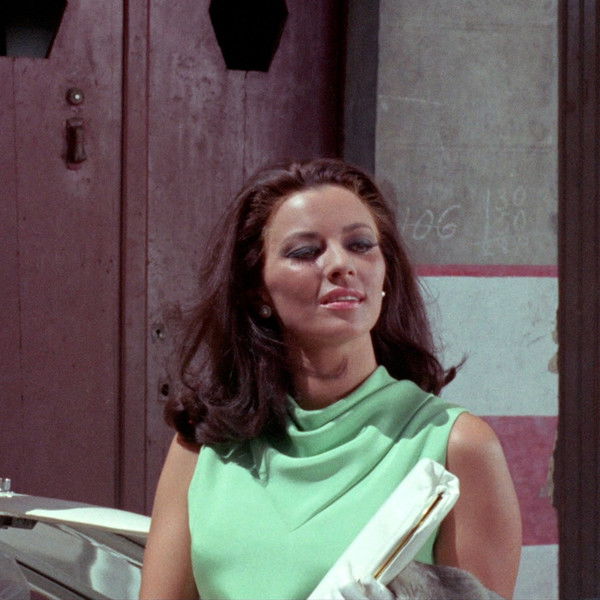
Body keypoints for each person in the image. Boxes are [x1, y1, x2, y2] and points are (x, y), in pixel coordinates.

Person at [139, 158, 522, 600]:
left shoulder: (458, 446)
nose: (341, 264)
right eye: (305, 252)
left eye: (361, 245)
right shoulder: (203, 446)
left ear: (386, 275)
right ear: (257, 288)